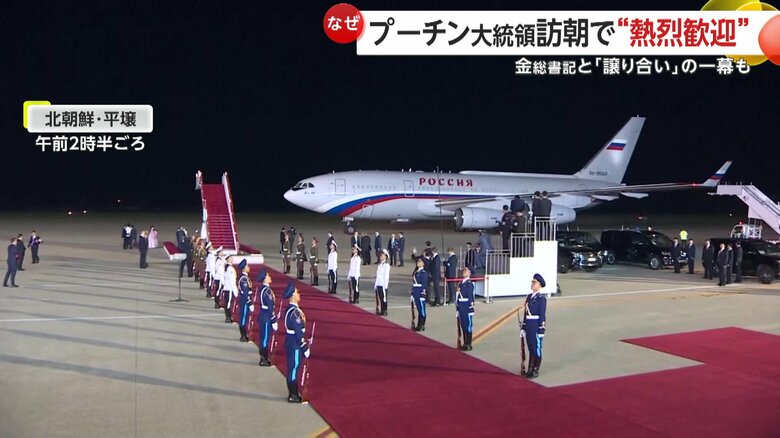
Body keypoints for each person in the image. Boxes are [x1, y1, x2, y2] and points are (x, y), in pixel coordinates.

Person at [283, 282, 309, 403]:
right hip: (294, 343)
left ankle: (293, 391)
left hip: (291, 341)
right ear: (293, 296)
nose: (299, 294)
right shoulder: (295, 313)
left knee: (293, 367)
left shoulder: (291, 309)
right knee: (293, 368)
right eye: (297, 292)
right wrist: (304, 347)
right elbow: (298, 332)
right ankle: (293, 393)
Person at [521, 273, 547, 379]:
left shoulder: (541, 299)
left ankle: (535, 369)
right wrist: (523, 327)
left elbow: (542, 314)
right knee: (531, 347)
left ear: (539, 285)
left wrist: (541, 329)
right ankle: (530, 369)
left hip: (536, 325)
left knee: (536, 349)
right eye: (532, 282)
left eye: (534, 283)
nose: (532, 284)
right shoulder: (529, 297)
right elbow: (525, 314)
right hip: (529, 325)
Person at [257, 269, 278, 367]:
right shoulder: (267, 291)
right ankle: (264, 358)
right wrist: (273, 319)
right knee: (265, 338)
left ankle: (264, 357)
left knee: (263, 337)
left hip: (263, 315)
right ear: (265, 279)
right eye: (268, 276)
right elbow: (270, 307)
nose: (270, 277)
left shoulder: (263, 289)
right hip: (266, 316)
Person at [456, 267, 475, 351]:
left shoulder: (469, 284)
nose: (464, 272)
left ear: (469, 273)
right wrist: (457, 307)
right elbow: (458, 295)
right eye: (464, 271)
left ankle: (468, 343)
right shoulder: (461, 283)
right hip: (461, 306)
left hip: (467, 306)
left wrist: (470, 306)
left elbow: (470, 296)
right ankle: (465, 342)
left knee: (468, 326)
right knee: (463, 325)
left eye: (466, 271)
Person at [411, 257, 428, 331]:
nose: (418, 262)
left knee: (422, 310)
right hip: (416, 292)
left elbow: (424, 284)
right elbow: (414, 283)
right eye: (418, 261)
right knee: (418, 309)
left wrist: (422, 294)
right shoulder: (416, 272)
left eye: (420, 262)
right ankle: (419, 325)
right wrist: (412, 293)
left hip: (420, 292)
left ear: (423, 263)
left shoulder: (424, 273)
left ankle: (422, 325)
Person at [237, 260, 252, 342]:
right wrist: (249, 303)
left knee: (245, 317)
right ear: (244, 268)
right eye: (247, 266)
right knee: (243, 318)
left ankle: (244, 334)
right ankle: (243, 335)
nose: (248, 267)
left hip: (244, 300)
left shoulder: (245, 278)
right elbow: (246, 293)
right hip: (244, 301)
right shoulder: (244, 280)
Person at [375, 249, 390, 315]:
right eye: (381, 255)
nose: (381, 256)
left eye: (382, 255)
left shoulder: (386, 265)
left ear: (386, 257)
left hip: (383, 284)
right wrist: (376, 284)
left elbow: (386, 277)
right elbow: (378, 276)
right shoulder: (380, 265)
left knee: (384, 298)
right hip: (379, 283)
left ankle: (385, 310)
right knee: (381, 298)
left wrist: (385, 286)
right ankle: (382, 310)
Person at [223, 255, 238, 323]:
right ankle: (228, 317)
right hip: (229, 288)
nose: (232, 259)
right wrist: (235, 291)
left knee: (228, 303)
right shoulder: (230, 269)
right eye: (231, 258)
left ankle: (228, 317)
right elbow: (232, 281)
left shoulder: (227, 267)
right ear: (228, 259)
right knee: (228, 303)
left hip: (227, 287)